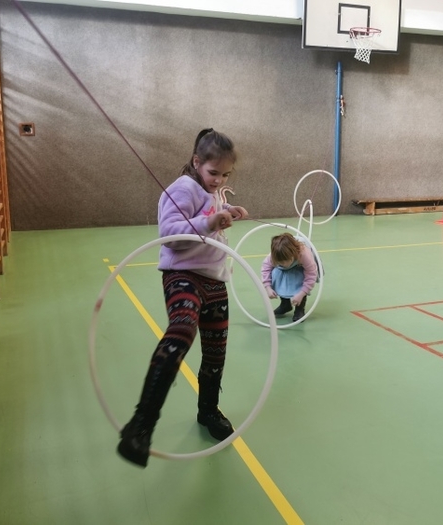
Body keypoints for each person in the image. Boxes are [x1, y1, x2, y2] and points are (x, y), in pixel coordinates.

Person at [117, 129, 248, 467]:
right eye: (214, 172)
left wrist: (227, 210)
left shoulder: (210, 190)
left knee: (216, 352)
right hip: (184, 276)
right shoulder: (182, 189)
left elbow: (209, 208)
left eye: (226, 175)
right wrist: (210, 222)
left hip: (215, 280)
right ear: (196, 161)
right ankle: (141, 424)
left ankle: (208, 410)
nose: (219, 180)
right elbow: (171, 235)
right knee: (181, 333)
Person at [261, 232, 318, 323]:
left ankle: (299, 309)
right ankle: (285, 304)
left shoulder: (304, 254)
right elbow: (265, 269)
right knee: (276, 273)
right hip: (289, 262)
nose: (283, 264)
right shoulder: (274, 255)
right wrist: (268, 287)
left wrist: (301, 293)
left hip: (300, 266)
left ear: (293, 255)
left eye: (285, 261)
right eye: (280, 262)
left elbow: (311, 274)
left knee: (299, 279)